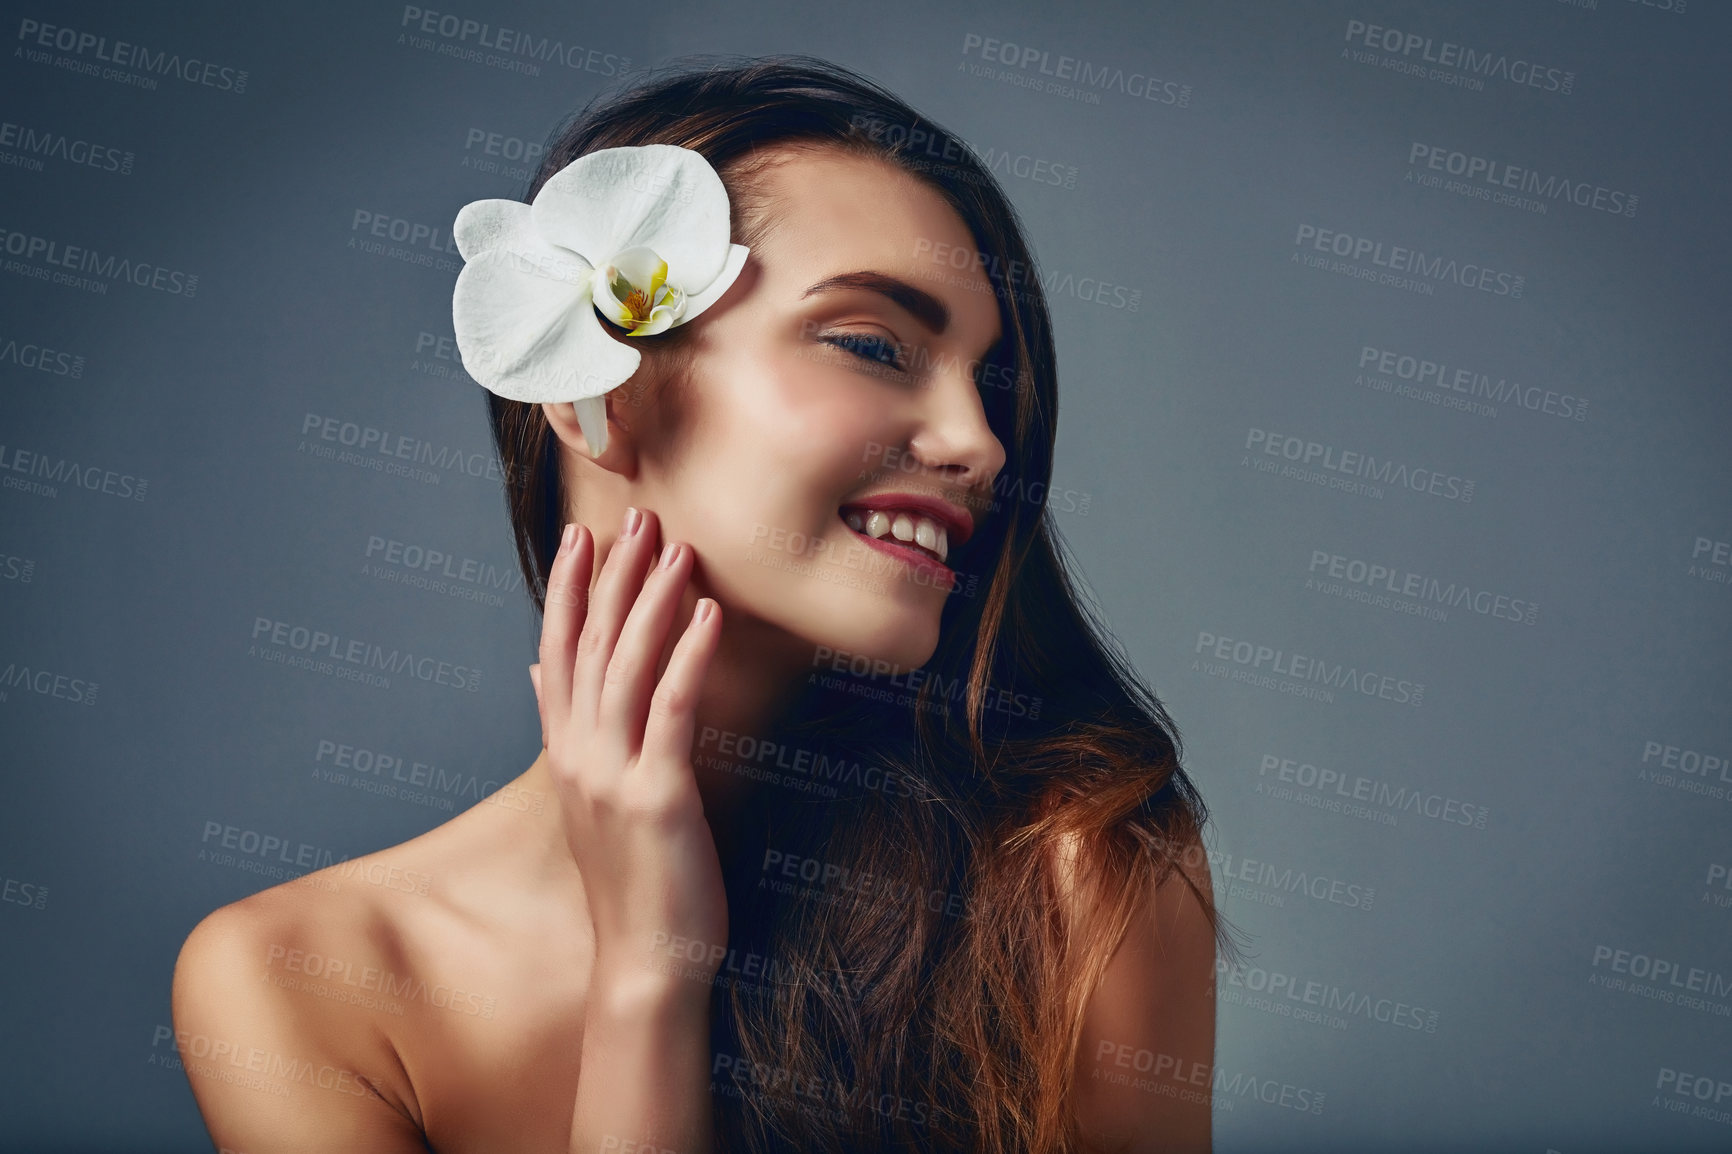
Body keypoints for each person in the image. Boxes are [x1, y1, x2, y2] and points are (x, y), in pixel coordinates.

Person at [171, 57, 1235, 1153]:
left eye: (990, 383)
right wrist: (648, 974)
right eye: (874, 345)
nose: (978, 443)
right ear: (601, 387)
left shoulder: (1075, 872)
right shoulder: (302, 982)